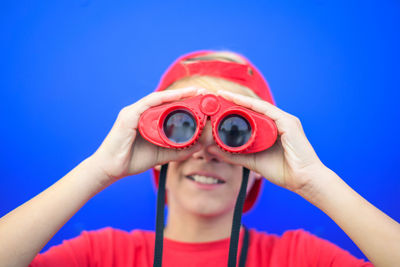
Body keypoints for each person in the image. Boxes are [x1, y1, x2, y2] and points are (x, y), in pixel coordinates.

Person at [0, 50, 399, 267]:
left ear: (261, 162)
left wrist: (314, 179)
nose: (207, 152)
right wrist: (100, 168)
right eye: (182, 129)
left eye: (235, 132)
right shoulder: (102, 255)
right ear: (157, 154)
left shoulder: (300, 258)